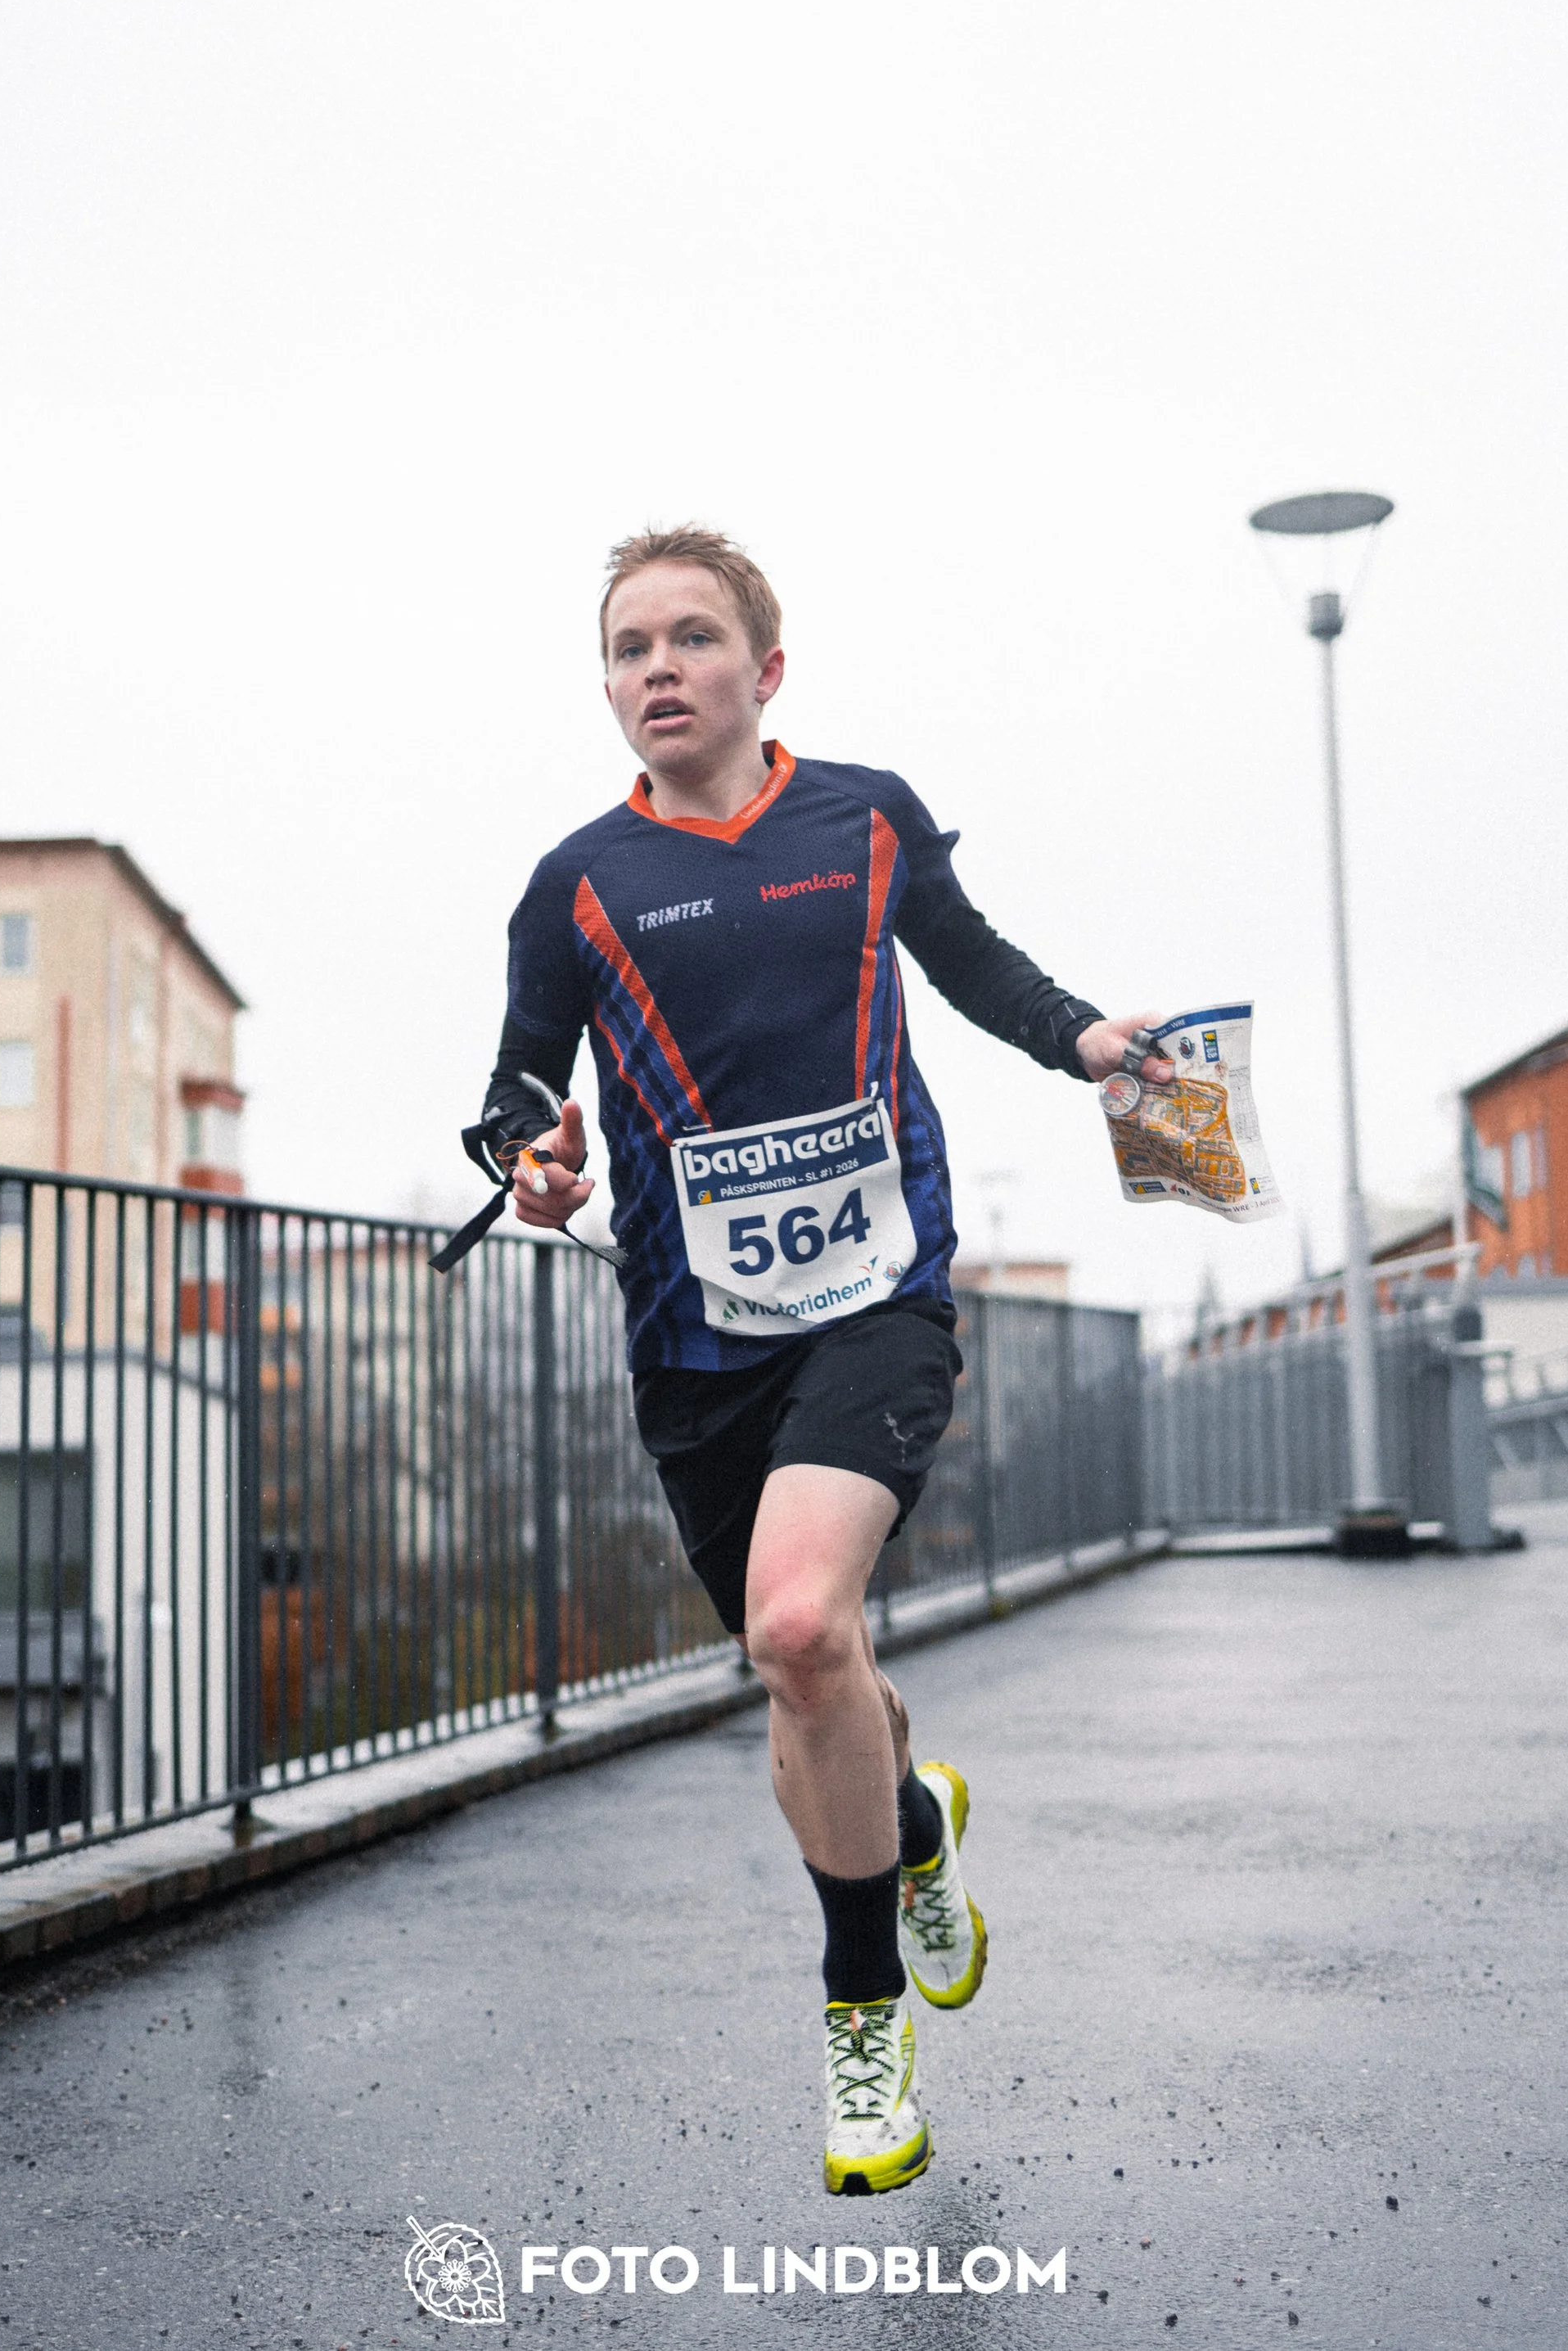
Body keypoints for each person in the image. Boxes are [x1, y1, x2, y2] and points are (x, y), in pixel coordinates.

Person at [469, 526, 1172, 2196]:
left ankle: (861, 2023)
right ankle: (911, 1828)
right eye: (627, 643)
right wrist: (534, 1163)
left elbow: (973, 957)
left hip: (876, 1298)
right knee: (806, 1669)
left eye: (690, 636)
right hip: (691, 1334)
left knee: (796, 1617)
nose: (656, 666)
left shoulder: (859, 817)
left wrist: (1083, 1036)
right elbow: (515, 1090)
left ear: (760, 670)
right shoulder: (573, 882)